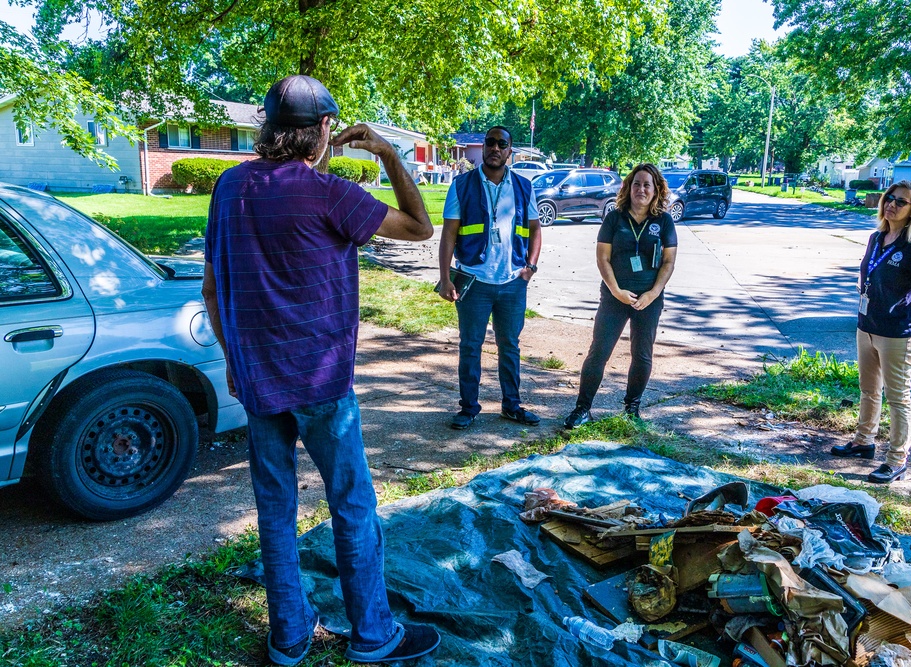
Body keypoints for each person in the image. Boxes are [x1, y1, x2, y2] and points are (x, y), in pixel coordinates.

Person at [202, 75, 441, 666]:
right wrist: (387, 152)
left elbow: (212, 288)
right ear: (324, 131)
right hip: (322, 383)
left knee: (274, 507)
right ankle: (373, 634)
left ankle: (288, 636)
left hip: (258, 380)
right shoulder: (329, 192)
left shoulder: (229, 188)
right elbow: (419, 227)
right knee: (352, 505)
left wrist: (234, 359)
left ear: (268, 129)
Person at [830, 180, 911, 484]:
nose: (891, 203)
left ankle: (897, 459)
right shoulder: (877, 237)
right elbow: (867, 276)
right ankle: (864, 441)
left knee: (898, 397)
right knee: (868, 389)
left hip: (898, 334)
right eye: (889, 198)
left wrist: (906, 305)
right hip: (867, 326)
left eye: (901, 201)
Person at [437, 126, 543, 430]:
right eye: (490, 142)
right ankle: (469, 407)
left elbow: (536, 229)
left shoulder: (524, 187)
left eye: (502, 144)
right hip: (474, 280)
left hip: (512, 282)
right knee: (470, 345)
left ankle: (511, 405)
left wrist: (530, 267)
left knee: (510, 344)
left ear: (510, 150)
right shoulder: (462, 185)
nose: (495, 148)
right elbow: (448, 235)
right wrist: (445, 278)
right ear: (484, 147)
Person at [563, 164, 678, 429]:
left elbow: (668, 262)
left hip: (649, 299)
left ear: (656, 189)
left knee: (642, 355)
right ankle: (582, 409)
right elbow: (602, 258)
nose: (641, 189)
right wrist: (616, 290)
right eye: (636, 183)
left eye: (647, 185)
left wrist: (652, 293)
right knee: (599, 352)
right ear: (628, 187)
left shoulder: (664, 221)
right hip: (615, 296)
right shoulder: (614, 218)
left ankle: (632, 409)